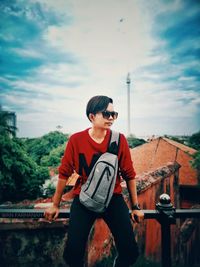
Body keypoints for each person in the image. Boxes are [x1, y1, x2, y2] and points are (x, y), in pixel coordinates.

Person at [44, 95, 144, 267]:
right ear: (92, 116)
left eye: (114, 114)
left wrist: (135, 207)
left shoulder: (119, 140)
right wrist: (55, 204)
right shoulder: (76, 140)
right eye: (106, 114)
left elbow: (129, 174)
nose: (111, 118)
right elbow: (64, 173)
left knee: (130, 251)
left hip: (113, 198)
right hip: (84, 198)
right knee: (72, 254)